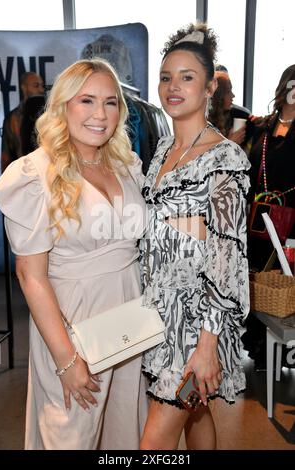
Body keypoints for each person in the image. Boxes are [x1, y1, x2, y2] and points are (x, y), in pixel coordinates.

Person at [0, 58, 148, 450]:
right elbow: (31, 276)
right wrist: (66, 360)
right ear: (63, 105)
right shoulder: (35, 174)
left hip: (132, 323)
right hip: (74, 328)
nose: (100, 114)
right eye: (87, 101)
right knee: (70, 435)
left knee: (123, 432)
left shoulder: (126, 164)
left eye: (111, 102)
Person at [139, 23, 250, 450]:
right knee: (195, 415)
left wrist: (208, 344)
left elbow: (227, 256)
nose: (173, 86)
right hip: (158, 314)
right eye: (167, 77)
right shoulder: (162, 151)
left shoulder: (226, 158)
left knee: (153, 445)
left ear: (208, 90)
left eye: (187, 77)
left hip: (197, 322)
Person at [242, 64, 295, 370]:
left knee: (283, 284)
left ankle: (280, 352)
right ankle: (259, 347)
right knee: (257, 282)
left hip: (290, 223)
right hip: (258, 220)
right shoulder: (260, 128)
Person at [1, 71, 44, 172]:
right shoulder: (12, 119)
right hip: (22, 177)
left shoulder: (50, 115)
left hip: (48, 177)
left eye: (42, 85)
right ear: (24, 88)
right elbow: (6, 155)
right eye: (36, 85)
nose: (41, 90)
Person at [208, 70, 247, 145]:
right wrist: (231, 142)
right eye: (228, 91)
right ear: (219, 96)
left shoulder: (228, 116)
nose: (233, 95)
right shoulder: (204, 124)